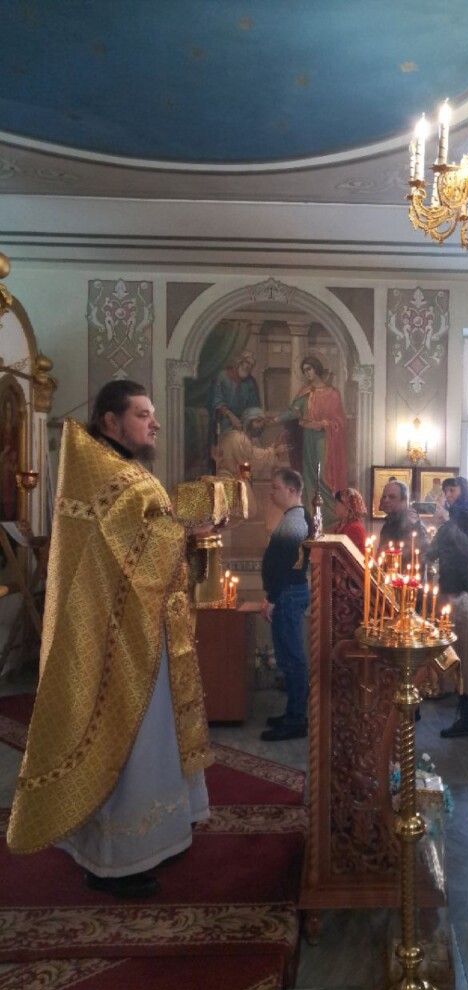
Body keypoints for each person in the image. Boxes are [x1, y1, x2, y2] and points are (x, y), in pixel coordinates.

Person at [8, 381, 214, 898]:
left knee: (154, 737)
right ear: (110, 421)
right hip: (119, 641)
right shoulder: (112, 475)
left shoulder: (114, 470)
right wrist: (188, 530)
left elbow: (140, 544)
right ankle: (115, 861)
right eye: (143, 414)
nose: (155, 423)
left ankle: (158, 835)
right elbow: (134, 553)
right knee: (130, 740)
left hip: (141, 628)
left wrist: (184, 530)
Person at [423, 477, 468, 741]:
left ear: (464, 490)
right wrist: (419, 531)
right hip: (450, 592)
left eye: (452, 489)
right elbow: (431, 552)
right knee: (457, 657)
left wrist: (448, 523)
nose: (448, 494)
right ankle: (466, 718)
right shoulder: (449, 521)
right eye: (446, 490)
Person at [260, 467, 312, 741]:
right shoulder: (293, 517)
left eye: (275, 487)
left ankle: (296, 720)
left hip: (288, 594)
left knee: (292, 659)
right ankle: (293, 713)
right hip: (287, 593)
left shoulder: (295, 521)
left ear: (291, 490)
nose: (271, 492)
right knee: (288, 657)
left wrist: (272, 598)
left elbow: (286, 568)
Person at [270, 355, 348, 526]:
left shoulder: (332, 393)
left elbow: (340, 421)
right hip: (307, 438)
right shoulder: (305, 392)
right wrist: (275, 420)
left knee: (322, 476)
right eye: (304, 371)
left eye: (309, 369)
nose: (307, 373)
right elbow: (293, 412)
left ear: (317, 368)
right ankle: (311, 515)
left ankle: (329, 514)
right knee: (308, 476)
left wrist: (322, 424)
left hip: (324, 440)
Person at [208, 349, 262, 448]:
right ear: (240, 361)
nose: (248, 367)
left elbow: (254, 406)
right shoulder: (222, 377)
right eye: (247, 362)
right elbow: (217, 400)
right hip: (224, 419)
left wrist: (253, 429)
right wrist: (231, 416)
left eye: (252, 365)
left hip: (244, 421)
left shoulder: (251, 382)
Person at [378, 479, 429, 555]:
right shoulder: (389, 523)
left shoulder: (413, 524)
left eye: (392, 497)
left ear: (404, 500)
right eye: (384, 497)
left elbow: (423, 554)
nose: (386, 500)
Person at [333, 486, 368, 553]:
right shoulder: (346, 525)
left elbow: (348, 556)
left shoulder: (353, 529)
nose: (335, 507)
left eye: (337, 503)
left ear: (347, 505)